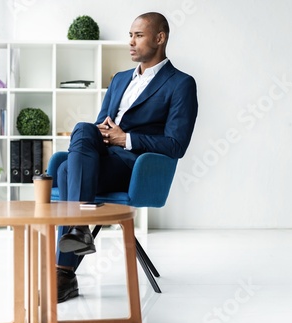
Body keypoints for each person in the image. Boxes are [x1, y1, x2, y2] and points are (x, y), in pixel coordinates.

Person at [55, 12, 198, 303]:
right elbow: (98, 127)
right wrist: (103, 133)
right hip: (100, 157)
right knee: (83, 130)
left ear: (160, 38)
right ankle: (75, 241)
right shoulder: (120, 79)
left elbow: (176, 145)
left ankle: (64, 268)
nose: (130, 42)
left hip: (134, 166)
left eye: (138, 35)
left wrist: (126, 139)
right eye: (130, 35)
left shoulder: (180, 83)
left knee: (69, 172)